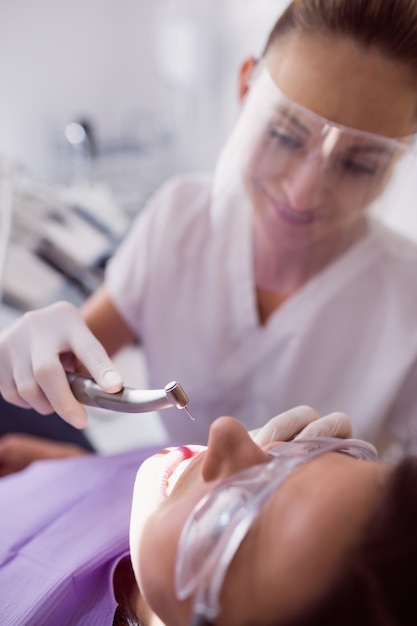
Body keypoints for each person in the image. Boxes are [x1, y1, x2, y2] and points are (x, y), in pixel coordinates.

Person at [2, 0, 417, 472]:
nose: (303, 194)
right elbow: (76, 365)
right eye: (284, 134)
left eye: (360, 163)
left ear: (399, 159)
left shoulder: (407, 306)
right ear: (245, 84)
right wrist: (79, 462)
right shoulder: (180, 218)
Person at [0, 407, 416, 625]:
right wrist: (80, 473)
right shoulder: (163, 503)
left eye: (228, 516)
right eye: (302, 454)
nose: (226, 432)